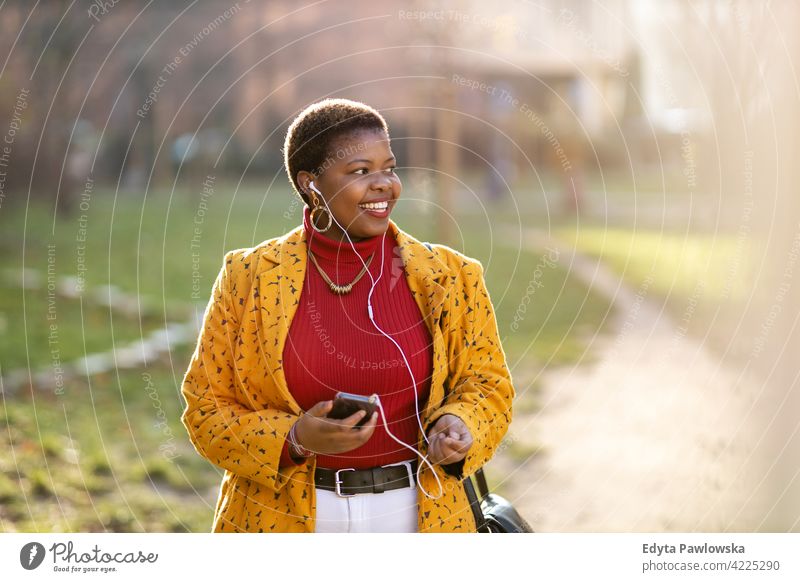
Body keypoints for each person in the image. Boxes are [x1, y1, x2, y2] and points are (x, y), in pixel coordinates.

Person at [180, 98, 514, 533]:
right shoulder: (248, 278)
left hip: (420, 514)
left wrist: (460, 424)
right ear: (311, 184)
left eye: (388, 168)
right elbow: (206, 408)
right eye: (360, 171)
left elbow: (489, 387)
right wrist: (295, 439)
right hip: (285, 519)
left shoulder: (453, 277)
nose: (384, 184)